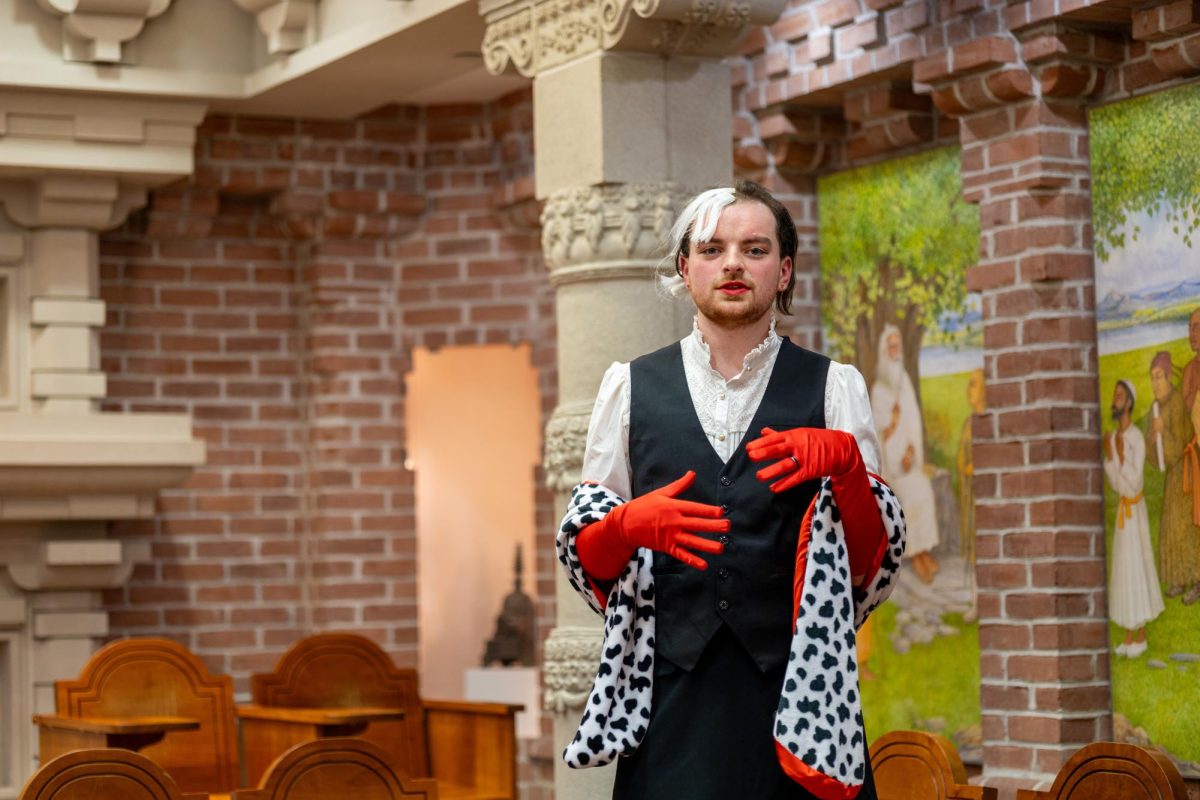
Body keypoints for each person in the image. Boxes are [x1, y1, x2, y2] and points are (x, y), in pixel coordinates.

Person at [554, 181, 905, 800]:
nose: (734, 264)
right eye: (713, 249)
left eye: (755, 248)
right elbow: (590, 566)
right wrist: (625, 527)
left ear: (785, 270)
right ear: (686, 270)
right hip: (670, 714)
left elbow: (870, 565)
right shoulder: (630, 388)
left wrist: (849, 470)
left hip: (799, 713)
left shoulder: (834, 388)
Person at [870, 325, 939, 583]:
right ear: (884, 351)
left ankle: (923, 552)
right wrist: (894, 421)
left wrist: (912, 450)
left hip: (909, 460)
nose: (895, 350)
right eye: (891, 346)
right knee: (909, 495)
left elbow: (914, 422)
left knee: (924, 490)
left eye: (897, 345)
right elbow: (878, 433)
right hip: (892, 467)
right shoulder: (878, 389)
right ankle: (916, 556)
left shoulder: (906, 381)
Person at [1102, 380, 1164, 656]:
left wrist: (1118, 452)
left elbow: (1134, 483)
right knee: (1124, 571)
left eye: (1118, 397)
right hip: (1123, 515)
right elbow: (1116, 484)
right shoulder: (1116, 436)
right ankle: (1128, 637)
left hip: (1134, 512)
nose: (1114, 401)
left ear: (1128, 403)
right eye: (1114, 396)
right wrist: (1111, 453)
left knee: (1136, 567)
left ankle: (1141, 636)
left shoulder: (1136, 438)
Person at [1149, 352, 1200, 605]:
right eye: (1152, 378)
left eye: (1159, 377)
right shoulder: (1155, 408)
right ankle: (1179, 578)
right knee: (1172, 526)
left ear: (1169, 378)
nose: (1156, 382)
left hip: (1186, 473)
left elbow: (1179, 445)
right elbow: (1154, 454)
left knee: (1188, 527)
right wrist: (1153, 437)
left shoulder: (1178, 402)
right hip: (1172, 476)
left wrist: (1163, 433)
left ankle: (1197, 581)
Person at [1182, 308, 1200, 411]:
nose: (1192, 334)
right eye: (1190, 328)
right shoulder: (1189, 370)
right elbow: (1185, 411)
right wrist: (1194, 389)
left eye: (1197, 328)